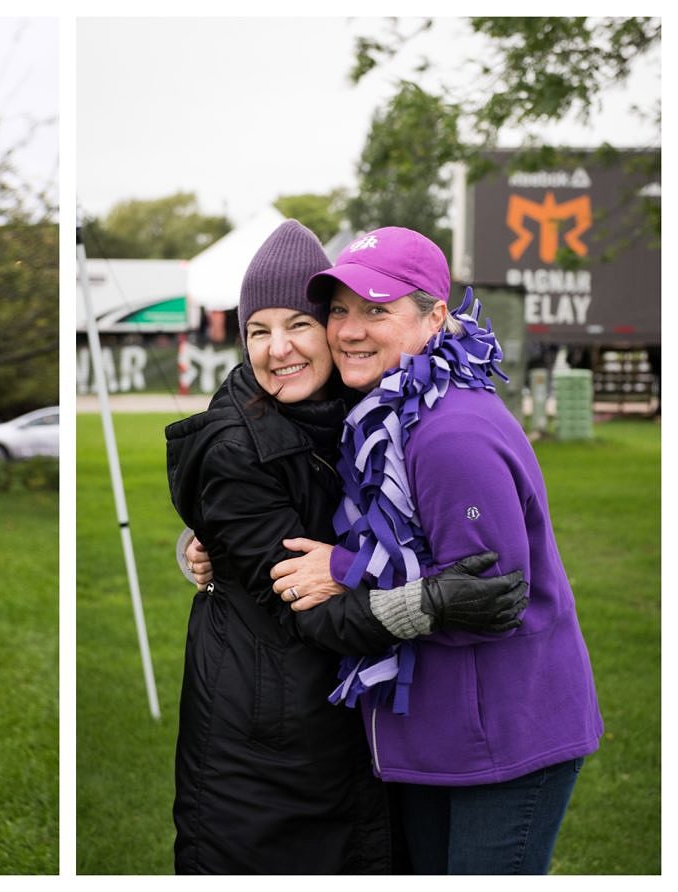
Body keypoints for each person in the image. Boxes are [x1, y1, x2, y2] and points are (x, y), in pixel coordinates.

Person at [163, 220, 530, 874]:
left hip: (349, 735)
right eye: (257, 331)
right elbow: (306, 606)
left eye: (299, 325)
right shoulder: (236, 447)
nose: (277, 350)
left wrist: (212, 538)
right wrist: (429, 604)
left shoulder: (364, 410)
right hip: (264, 754)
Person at [262, 226, 603, 875]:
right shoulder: (382, 412)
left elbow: (488, 596)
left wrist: (342, 569)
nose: (349, 330)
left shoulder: (451, 433)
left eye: (377, 310)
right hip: (438, 735)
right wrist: (206, 540)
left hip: (504, 738)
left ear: (435, 317)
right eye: (339, 309)